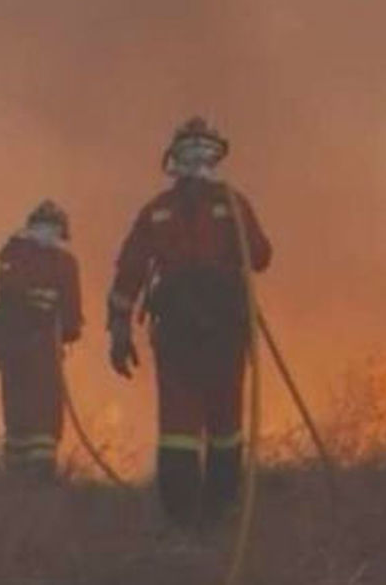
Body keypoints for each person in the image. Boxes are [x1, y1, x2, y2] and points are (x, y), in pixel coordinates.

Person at [106, 116, 272, 528]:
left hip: (224, 329)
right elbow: (129, 270)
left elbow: (261, 257)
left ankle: (221, 511)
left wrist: (238, 224)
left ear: (217, 156)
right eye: (188, 151)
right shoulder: (157, 212)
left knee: (226, 425)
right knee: (178, 428)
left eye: (205, 150)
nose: (197, 159)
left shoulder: (232, 203)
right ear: (173, 158)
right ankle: (182, 518)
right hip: (177, 333)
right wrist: (119, 327)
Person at [0, 199, 82, 478]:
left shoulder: (17, 253)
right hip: (33, 346)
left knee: (26, 406)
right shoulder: (53, 260)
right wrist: (65, 326)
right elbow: (70, 315)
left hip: (23, 346)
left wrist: (66, 327)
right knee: (38, 407)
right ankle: (34, 469)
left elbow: (69, 313)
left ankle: (25, 469)